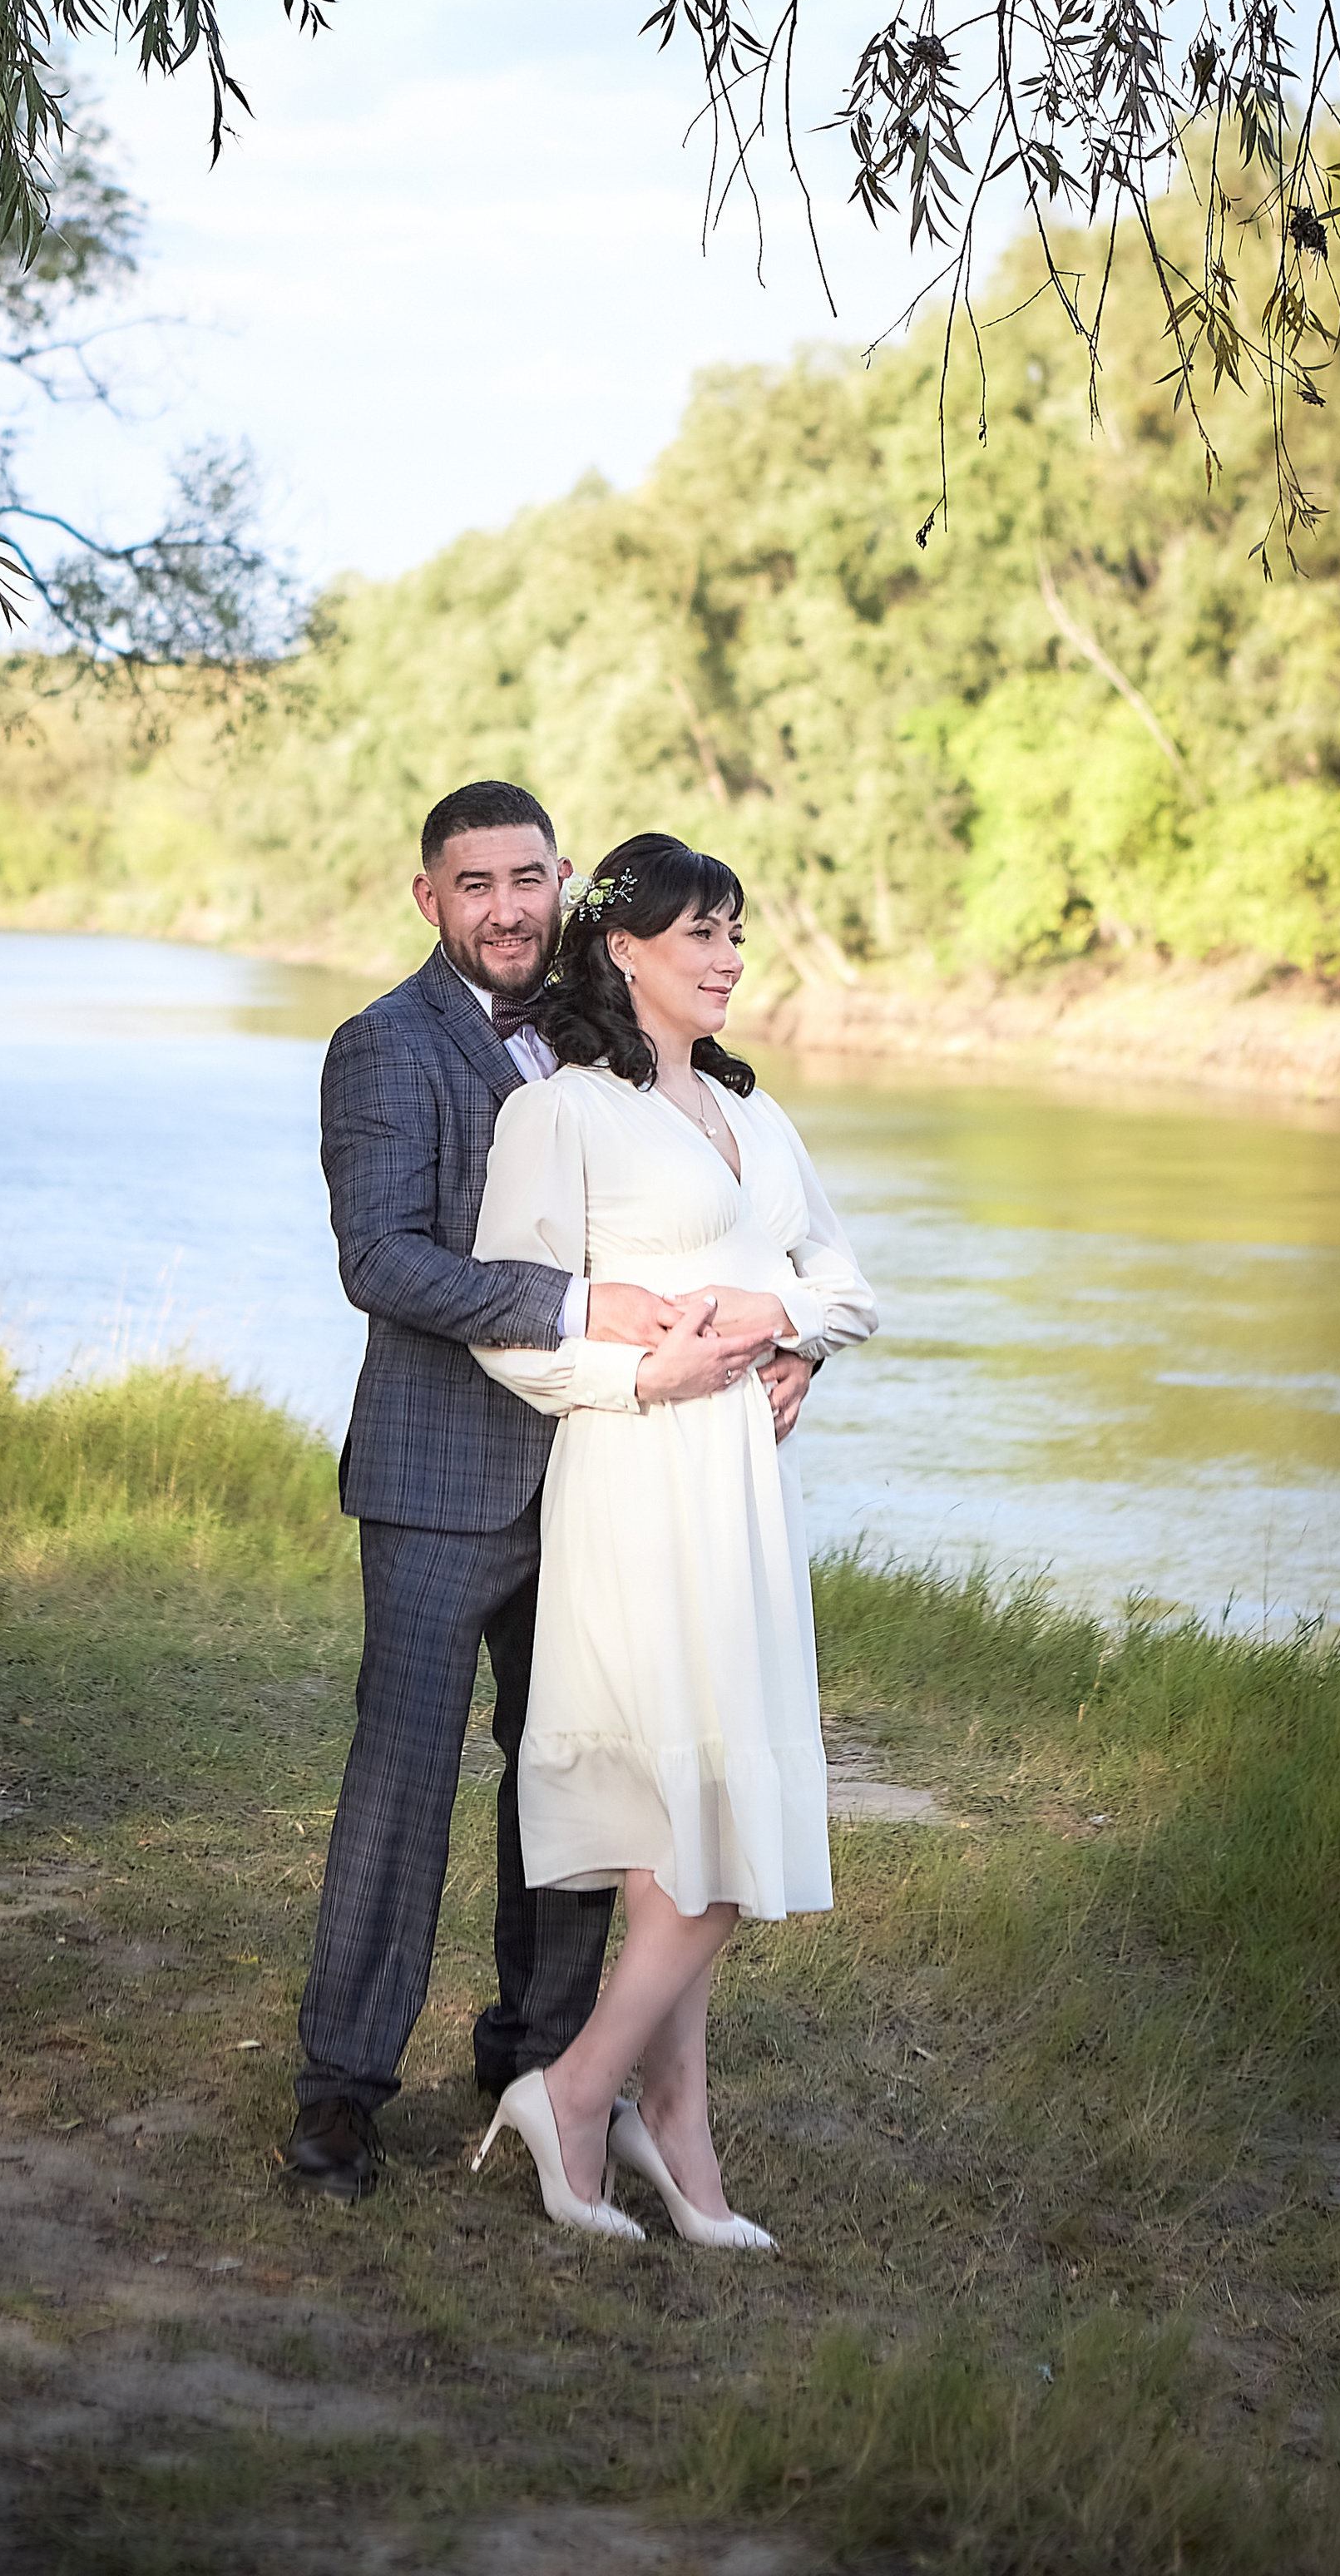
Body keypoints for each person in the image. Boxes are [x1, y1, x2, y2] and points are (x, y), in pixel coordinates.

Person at [284, 784, 809, 2202]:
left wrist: (796, 1343)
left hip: (610, 1478)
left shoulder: (627, 1050)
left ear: (567, 881)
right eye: (476, 884)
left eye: (529, 877)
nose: (508, 907)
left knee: (579, 1778)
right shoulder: (384, 1047)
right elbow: (383, 1262)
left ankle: (540, 2050)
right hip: (443, 1475)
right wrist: (589, 1303)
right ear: (430, 898)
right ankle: (340, 2088)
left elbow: (745, 1223)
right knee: (402, 1780)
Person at [466, 833, 876, 2248]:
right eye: (697, 933)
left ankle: (674, 2133)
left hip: (746, 1496)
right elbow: (515, 1324)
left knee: (695, 1817)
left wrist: (790, 1334)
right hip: (637, 1479)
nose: (725, 958)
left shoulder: (757, 1118)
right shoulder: (566, 1114)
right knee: (693, 1823)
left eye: (736, 934)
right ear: (623, 947)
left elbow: (844, 1277)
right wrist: (643, 1378)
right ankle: (578, 2095)